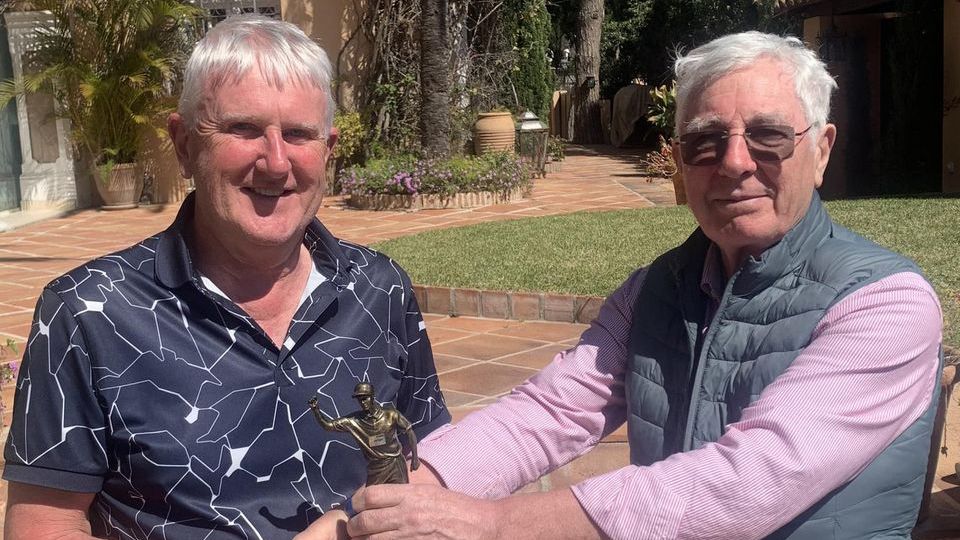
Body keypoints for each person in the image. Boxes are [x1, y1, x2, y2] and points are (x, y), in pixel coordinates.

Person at [306, 31, 944, 539]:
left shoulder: (886, 304)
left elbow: (746, 485)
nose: (735, 162)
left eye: (769, 137)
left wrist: (491, 524)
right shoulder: (656, 290)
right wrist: (385, 507)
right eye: (705, 141)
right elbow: (547, 413)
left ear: (822, 149)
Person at [2, 15, 449, 540]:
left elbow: (432, 462)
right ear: (184, 143)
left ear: (328, 151)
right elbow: (44, 525)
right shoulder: (89, 314)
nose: (276, 162)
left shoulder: (379, 289)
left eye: (299, 134)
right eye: (244, 129)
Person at [309, 382, 420, 485]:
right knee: (373, 499)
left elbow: (409, 431)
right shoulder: (353, 421)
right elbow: (328, 426)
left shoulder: (391, 415)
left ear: (373, 396)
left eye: (365, 398)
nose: (363, 402)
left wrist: (415, 457)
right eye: (360, 399)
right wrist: (316, 410)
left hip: (395, 464)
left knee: (401, 495)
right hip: (376, 468)